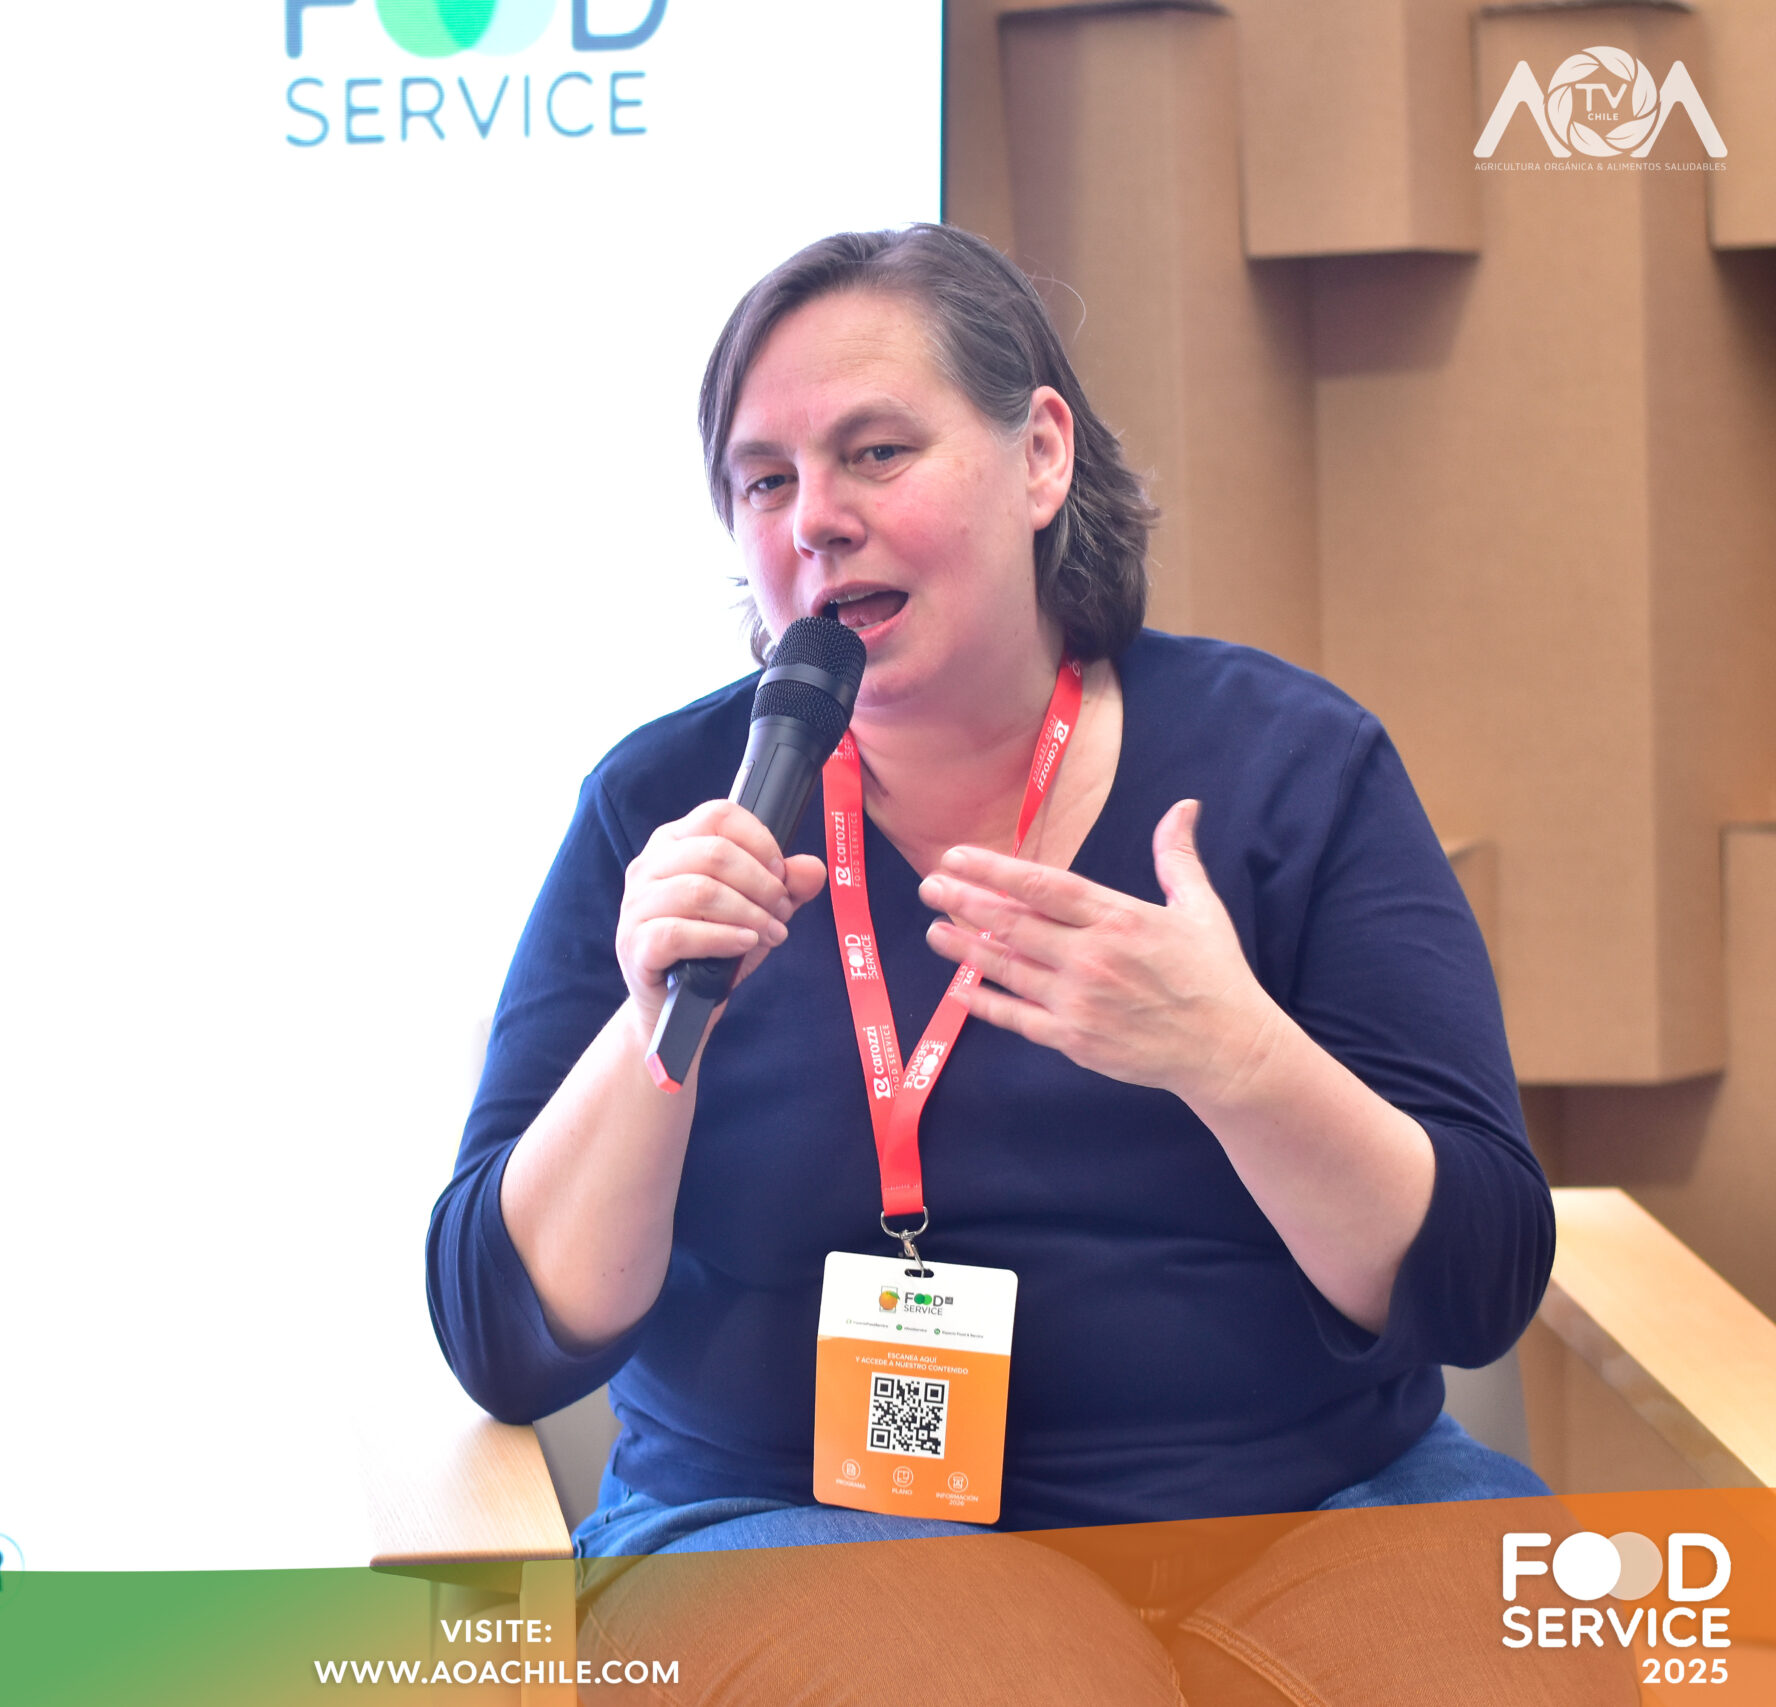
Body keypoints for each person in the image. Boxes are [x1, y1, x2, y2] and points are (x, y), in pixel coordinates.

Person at [424, 226, 1579, 1698]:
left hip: (1320, 1514)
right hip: (793, 1533)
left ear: (1040, 456)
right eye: (765, 481)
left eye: (876, 453)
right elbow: (504, 1339)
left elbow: (1477, 1283)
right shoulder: (664, 806)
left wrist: (1237, 1062)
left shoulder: (1296, 768)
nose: (814, 521)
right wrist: (653, 1019)